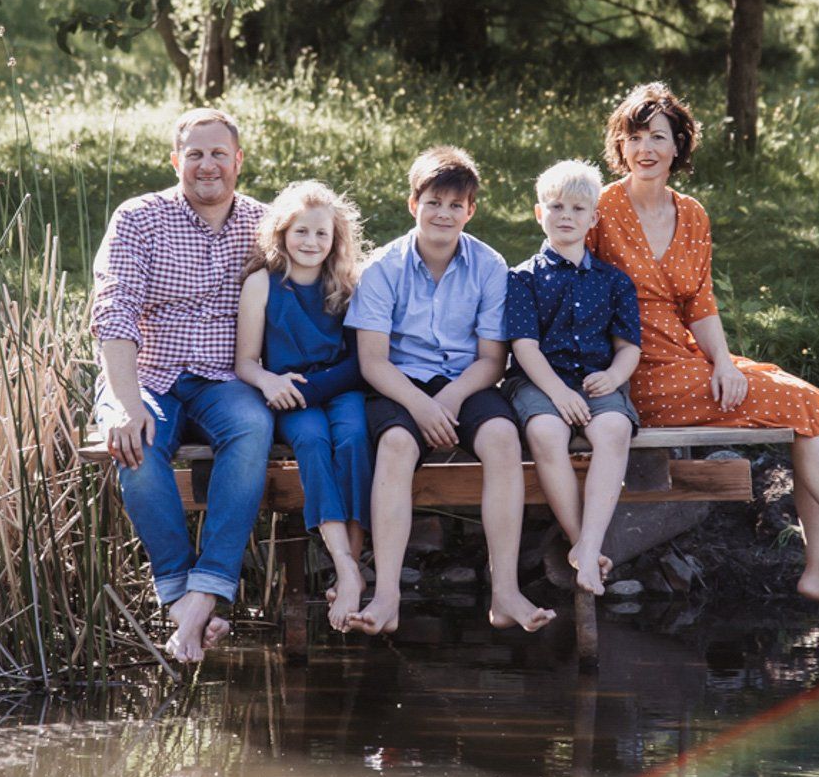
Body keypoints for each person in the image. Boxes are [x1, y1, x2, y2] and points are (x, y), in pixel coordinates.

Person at [588, 82, 819, 628]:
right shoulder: (602, 207)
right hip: (635, 373)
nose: (645, 149)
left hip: (688, 360)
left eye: (658, 136)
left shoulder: (692, 213)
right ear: (620, 145)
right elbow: (570, 286)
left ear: (679, 146)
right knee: (811, 413)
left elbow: (700, 301)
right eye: (634, 137)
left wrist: (724, 362)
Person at [343, 145, 556, 635]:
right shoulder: (383, 269)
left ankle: (505, 592)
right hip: (399, 383)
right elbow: (372, 361)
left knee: (503, 438)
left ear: (470, 211)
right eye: (434, 202)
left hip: (465, 380)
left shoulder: (488, 266)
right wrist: (420, 406)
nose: (444, 213)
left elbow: (491, 359)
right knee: (396, 444)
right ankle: (388, 597)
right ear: (413, 203)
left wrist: (451, 400)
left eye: (456, 205)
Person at [91, 108, 274, 663]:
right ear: (176, 161)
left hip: (224, 379)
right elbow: (114, 311)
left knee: (253, 425)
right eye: (194, 154)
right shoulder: (139, 218)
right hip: (148, 376)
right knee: (135, 446)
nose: (207, 165)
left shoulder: (265, 224)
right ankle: (184, 596)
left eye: (219, 153)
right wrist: (124, 404)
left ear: (238, 161)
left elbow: (321, 277)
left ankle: (206, 587)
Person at [235, 180, 372, 632]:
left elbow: (360, 364)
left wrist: (315, 389)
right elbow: (246, 362)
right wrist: (269, 381)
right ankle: (347, 566)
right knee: (312, 441)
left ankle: (349, 566)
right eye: (301, 232)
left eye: (321, 234)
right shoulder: (262, 284)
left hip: (337, 386)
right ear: (282, 233)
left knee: (353, 438)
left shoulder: (347, 284)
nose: (311, 242)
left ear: (335, 240)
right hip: (290, 394)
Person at [504, 160, 641, 595]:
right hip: (540, 381)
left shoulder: (613, 281)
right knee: (546, 432)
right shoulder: (522, 278)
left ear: (594, 218)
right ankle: (580, 540)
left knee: (615, 428)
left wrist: (615, 375)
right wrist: (559, 393)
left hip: (597, 381)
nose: (566, 216)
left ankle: (589, 544)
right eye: (556, 206)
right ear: (538, 213)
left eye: (579, 209)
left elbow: (629, 347)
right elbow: (524, 347)